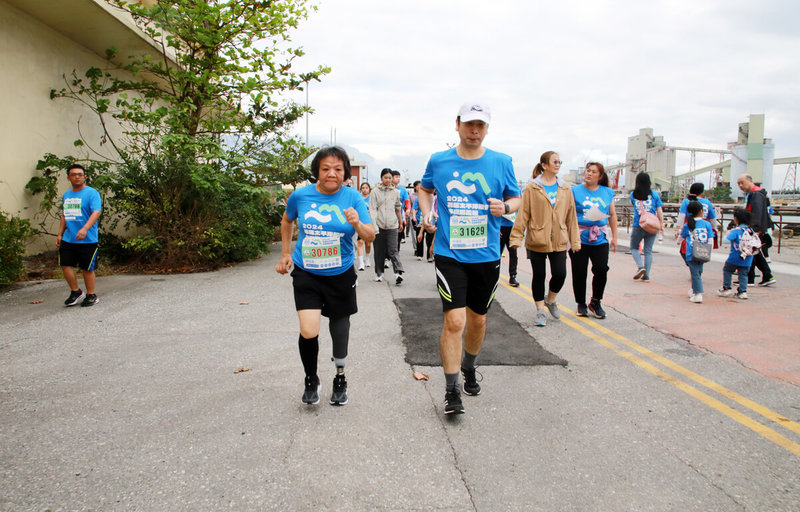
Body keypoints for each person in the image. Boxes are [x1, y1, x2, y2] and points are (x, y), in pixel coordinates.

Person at [417, 101, 521, 415]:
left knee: (478, 319)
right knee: (454, 321)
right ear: (458, 125)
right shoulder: (439, 160)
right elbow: (424, 189)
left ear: (487, 129)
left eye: (481, 126)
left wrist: (506, 208)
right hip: (450, 253)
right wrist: (426, 213)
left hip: (487, 254)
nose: (475, 131)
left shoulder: (502, 162)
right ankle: (451, 391)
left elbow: (516, 197)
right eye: (470, 125)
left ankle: (469, 365)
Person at [275, 146, 375, 406]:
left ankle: (340, 377)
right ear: (317, 171)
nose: (332, 173)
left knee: (339, 329)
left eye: (338, 169)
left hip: (340, 273)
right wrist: (285, 253)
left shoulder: (353, 197)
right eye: (326, 168)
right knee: (308, 330)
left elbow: (370, 236)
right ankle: (311, 378)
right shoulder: (301, 196)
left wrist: (356, 223)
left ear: (345, 173)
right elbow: (287, 221)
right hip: (307, 272)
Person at [510, 151, 581, 327]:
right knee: (539, 276)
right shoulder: (532, 188)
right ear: (544, 165)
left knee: (560, 274)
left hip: (559, 239)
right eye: (555, 161)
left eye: (560, 162)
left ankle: (550, 299)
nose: (558, 164)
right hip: (537, 238)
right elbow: (523, 214)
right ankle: (540, 310)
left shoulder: (565, 188)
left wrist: (575, 241)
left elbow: (571, 216)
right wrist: (516, 238)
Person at [569, 162, 618, 319]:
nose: (589, 173)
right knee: (579, 271)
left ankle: (596, 301)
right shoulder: (574, 191)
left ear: (600, 176)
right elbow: (567, 212)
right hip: (579, 236)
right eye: (587, 171)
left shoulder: (607, 192)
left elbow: (612, 214)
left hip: (600, 237)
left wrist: (615, 237)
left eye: (593, 171)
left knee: (602, 269)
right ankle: (581, 303)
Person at [56, 164, 102, 307]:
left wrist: (85, 229)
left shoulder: (92, 193)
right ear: (69, 177)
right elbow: (65, 215)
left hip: (87, 239)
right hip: (69, 238)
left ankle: (91, 295)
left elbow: (96, 212)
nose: (77, 177)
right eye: (73, 174)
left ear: (84, 177)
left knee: (87, 268)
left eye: (80, 174)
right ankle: (76, 292)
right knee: (65, 264)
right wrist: (60, 234)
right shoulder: (67, 195)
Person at [736, 174, 776, 286]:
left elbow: (757, 213)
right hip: (757, 228)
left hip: (756, 228)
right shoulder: (755, 194)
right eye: (738, 183)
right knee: (755, 253)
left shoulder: (756, 194)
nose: (740, 185)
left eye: (742, 182)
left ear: (750, 181)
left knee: (752, 252)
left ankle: (750, 278)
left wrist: (753, 228)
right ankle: (764, 276)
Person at [369, 168, 405, 285]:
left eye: (390, 178)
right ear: (381, 178)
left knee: (393, 249)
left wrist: (400, 222)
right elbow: (372, 209)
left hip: (392, 225)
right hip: (378, 225)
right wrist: (374, 225)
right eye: (386, 178)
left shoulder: (396, 192)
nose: (388, 180)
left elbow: (398, 208)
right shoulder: (374, 191)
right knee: (379, 251)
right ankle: (379, 274)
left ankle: (398, 273)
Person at [629, 172, 664, 282]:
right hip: (652, 225)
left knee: (634, 248)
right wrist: (661, 224)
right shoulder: (654, 194)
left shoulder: (633, 194)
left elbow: (634, 206)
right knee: (648, 250)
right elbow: (659, 210)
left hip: (639, 224)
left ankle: (640, 267)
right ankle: (646, 275)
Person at [680, 201, 714, 303]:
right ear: (701, 211)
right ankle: (694, 290)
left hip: (691, 252)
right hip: (703, 251)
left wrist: (678, 241)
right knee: (698, 271)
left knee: (695, 274)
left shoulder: (688, 224)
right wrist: (710, 250)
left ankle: (698, 294)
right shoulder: (707, 224)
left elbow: (682, 236)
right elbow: (711, 238)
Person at [717, 208, 755, 299]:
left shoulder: (736, 231)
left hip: (735, 256)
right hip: (748, 257)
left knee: (727, 270)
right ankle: (743, 291)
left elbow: (726, 241)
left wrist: (727, 233)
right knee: (743, 274)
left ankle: (727, 288)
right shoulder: (751, 231)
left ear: (736, 219)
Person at [675, 182, 717, 260]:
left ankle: (692, 265)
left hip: (690, 225)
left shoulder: (686, 201)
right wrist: (715, 229)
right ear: (702, 192)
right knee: (702, 248)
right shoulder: (707, 202)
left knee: (686, 248)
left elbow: (681, 216)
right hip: (704, 227)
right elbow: (712, 218)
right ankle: (698, 264)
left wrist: (677, 228)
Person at [411, 181, 434, 261]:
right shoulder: (418, 198)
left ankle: (429, 256)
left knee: (430, 238)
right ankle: (419, 254)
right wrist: (414, 217)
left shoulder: (435, 198)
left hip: (431, 220)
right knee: (420, 237)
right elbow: (414, 208)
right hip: (420, 220)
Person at [499, 208, 519, 287]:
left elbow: (520, 210)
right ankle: (495, 275)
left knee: (513, 254)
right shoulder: (498, 195)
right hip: (500, 227)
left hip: (512, 228)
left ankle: (512, 276)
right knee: (497, 254)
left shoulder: (517, 196)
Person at [391, 170, 412, 247]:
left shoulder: (403, 190)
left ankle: (396, 253)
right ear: (391, 178)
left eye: (399, 177)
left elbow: (407, 201)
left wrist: (408, 209)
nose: (398, 179)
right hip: (388, 217)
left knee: (398, 238)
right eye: (396, 177)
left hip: (399, 217)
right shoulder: (387, 189)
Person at [356, 182, 373, 271]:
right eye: (363, 188)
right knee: (360, 242)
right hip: (360, 223)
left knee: (368, 243)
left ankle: (367, 258)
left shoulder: (371, 199)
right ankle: (361, 263)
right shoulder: (358, 198)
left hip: (369, 223)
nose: (364, 189)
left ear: (369, 189)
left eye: (366, 187)